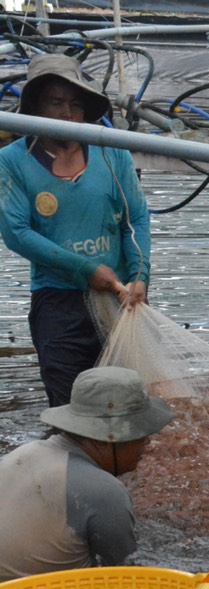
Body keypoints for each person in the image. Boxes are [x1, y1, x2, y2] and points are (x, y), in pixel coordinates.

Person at [0, 52, 151, 408]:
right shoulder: (12, 162)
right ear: (36, 108)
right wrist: (85, 269)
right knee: (69, 406)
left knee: (127, 405)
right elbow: (17, 233)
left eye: (75, 104)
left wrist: (140, 277)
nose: (68, 114)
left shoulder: (111, 154)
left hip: (122, 296)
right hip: (59, 300)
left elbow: (136, 220)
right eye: (56, 103)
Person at [0, 366, 173, 581]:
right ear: (103, 439)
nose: (148, 442)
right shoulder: (104, 491)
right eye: (140, 433)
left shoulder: (20, 454)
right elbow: (125, 579)